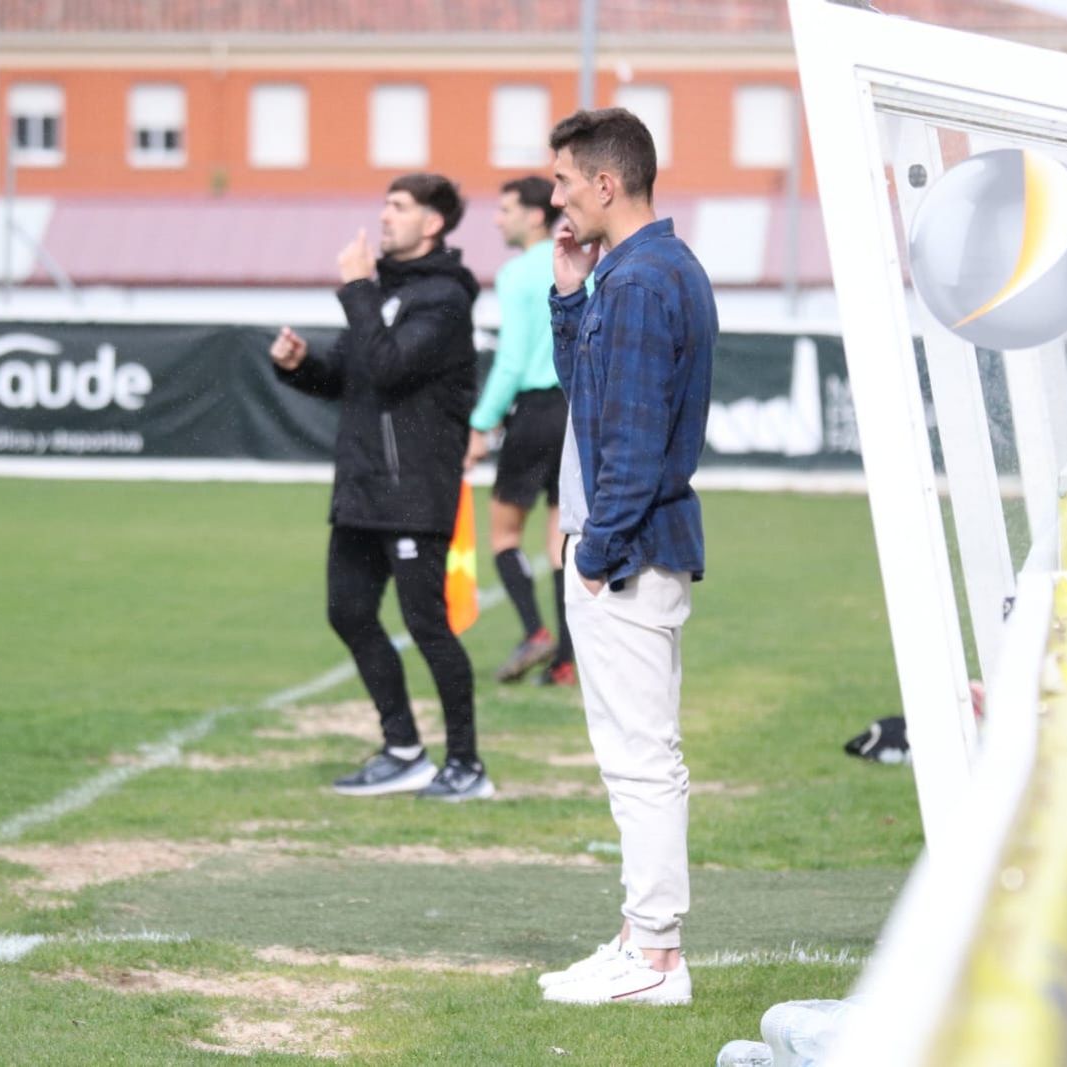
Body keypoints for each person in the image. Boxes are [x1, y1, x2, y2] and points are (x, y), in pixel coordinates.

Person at [536, 107, 716, 1007]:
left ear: (607, 184)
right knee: (639, 754)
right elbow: (590, 397)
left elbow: (637, 445)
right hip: (626, 550)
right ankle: (641, 939)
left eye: (564, 180)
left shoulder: (645, 281)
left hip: (626, 554)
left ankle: (654, 956)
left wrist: (594, 551)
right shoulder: (631, 273)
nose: (555, 196)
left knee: (641, 758)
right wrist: (570, 293)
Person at [268, 173, 494, 800]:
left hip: (415, 492)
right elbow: (349, 373)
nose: (384, 217)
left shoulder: (446, 298)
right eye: (385, 205)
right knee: (348, 612)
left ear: (433, 224)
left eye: (398, 207)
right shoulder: (384, 293)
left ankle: (467, 765)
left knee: (427, 626)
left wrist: (359, 288)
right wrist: (300, 365)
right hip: (364, 488)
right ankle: (404, 749)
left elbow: (391, 368)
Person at [463, 176, 576, 687]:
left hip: (532, 410)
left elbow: (510, 361)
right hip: (574, 411)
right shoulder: (581, 261)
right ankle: (567, 662)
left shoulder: (516, 273)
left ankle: (535, 631)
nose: (496, 218)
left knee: (506, 533)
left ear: (534, 215)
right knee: (561, 541)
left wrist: (481, 424)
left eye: (504, 208)